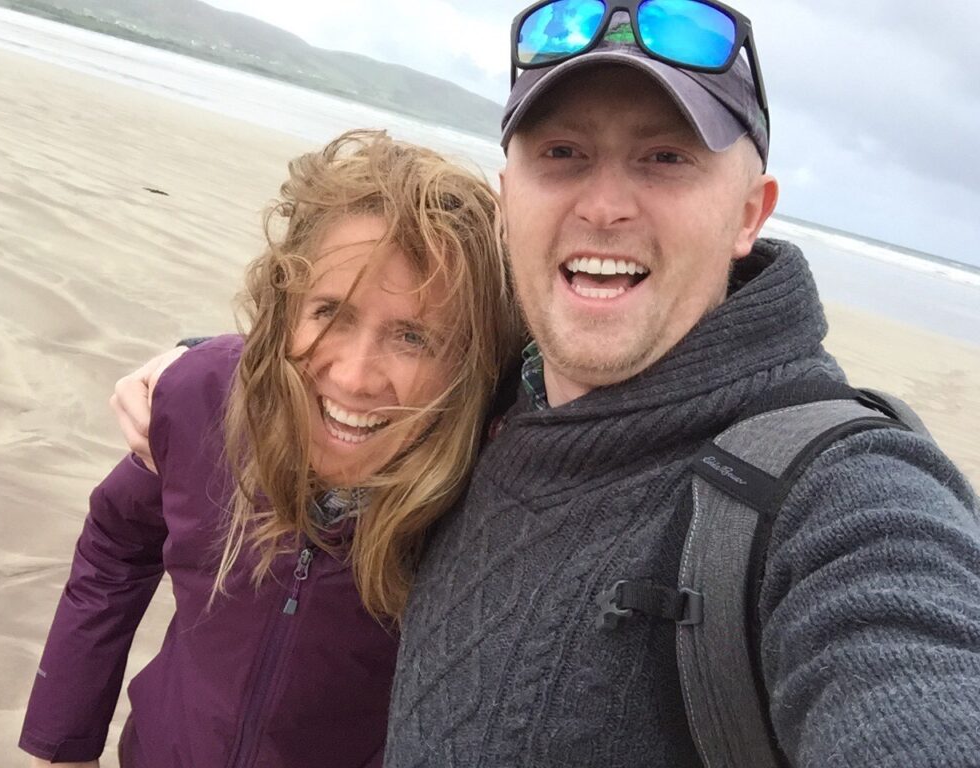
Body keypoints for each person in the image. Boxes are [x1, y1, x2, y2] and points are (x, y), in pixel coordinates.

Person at [114, 3, 980, 767]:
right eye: (563, 153)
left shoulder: (836, 496)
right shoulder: (490, 405)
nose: (605, 206)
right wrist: (209, 362)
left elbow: (909, 660)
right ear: (508, 200)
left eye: (666, 158)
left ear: (749, 212)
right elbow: (382, 351)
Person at [19, 130, 522, 767]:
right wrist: (64, 740)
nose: (354, 377)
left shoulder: (491, 487)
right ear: (283, 307)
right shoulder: (203, 397)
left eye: (414, 338)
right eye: (330, 313)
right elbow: (117, 541)